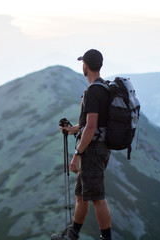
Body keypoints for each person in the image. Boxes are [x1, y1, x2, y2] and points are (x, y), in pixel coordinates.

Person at [51, 49, 112, 240]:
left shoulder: (93, 92)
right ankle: (72, 235)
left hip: (92, 151)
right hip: (95, 149)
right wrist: (71, 130)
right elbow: (88, 124)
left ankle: (106, 238)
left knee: (97, 197)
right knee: (81, 195)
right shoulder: (104, 88)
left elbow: (92, 127)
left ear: (85, 65)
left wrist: (77, 153)